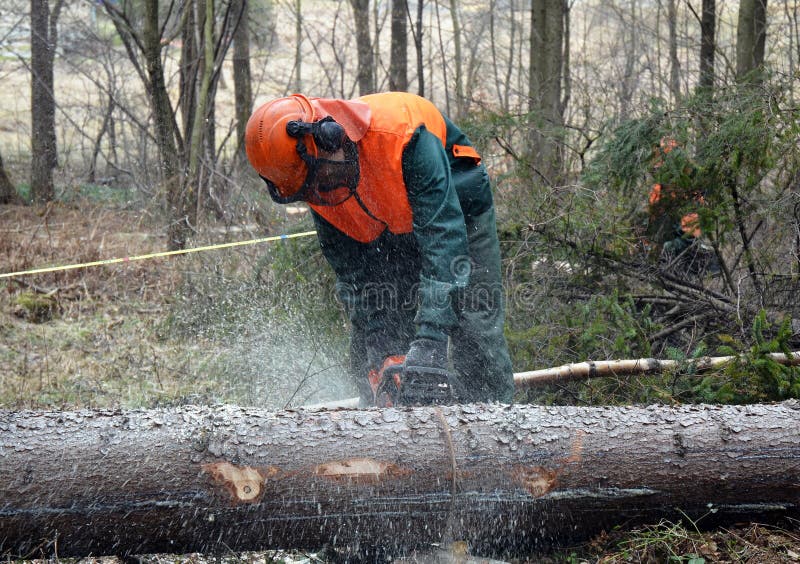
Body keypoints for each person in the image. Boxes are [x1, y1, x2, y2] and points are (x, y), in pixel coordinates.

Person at [244, 92, 515, 406]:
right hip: (384, 227)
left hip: (458, 216)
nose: (319, 193)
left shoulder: (403, 137)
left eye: (322, 178)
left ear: (330, 140)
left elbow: (444, 242)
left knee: (475, 325)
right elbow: (353, 273)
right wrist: (382, 347)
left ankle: (496, 430)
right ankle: (382, 436)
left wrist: (431, 339)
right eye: (309, 190)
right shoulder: (317, 185)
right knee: (369, 347)